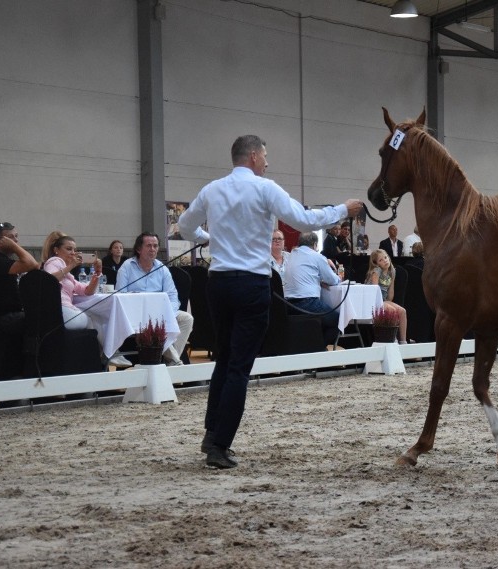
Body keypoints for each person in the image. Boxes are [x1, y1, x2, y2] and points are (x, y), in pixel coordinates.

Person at [177, 133, 362, 469]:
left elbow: (184, 226)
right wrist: (342, 210)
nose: (267, 162)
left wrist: (209, 238)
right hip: (250, 284)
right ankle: (220, 444)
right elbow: (303, 220)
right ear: (252, 157)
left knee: (225, 357)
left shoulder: (212, 189)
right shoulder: (265, 188)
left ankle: (211, 432)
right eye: (264, 156)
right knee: (238, 367)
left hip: (217, 284)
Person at [116, 232, 193, 366]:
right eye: (149, 246)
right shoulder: (127, 267)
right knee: (155, 324)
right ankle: (174, 362)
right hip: (136, 315)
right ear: (139, 249)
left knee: (187, 319)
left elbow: (173, 297)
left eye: (155, 246)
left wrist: (169, 313)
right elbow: (120, 295)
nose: (153, 249)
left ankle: (171, 360)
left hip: (162, 313)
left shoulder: (162, 269)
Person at [283, 231, 342, 347]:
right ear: (315, 244)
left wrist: (318, 280)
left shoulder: (292, 255)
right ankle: (319, 350)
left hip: (288, 304)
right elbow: (332, 280)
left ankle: (312, 347)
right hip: (307, 303)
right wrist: (338, 277)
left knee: (324, 320)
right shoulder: (316, 256)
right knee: (338, 321)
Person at [0, 222, 40, 332]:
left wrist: (13, 244)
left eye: (16, 236)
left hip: (7, 314)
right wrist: (14, 247)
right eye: (10, 238)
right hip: (3, 317)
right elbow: (33, 264)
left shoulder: (0, 258)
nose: (16, 240)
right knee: (41, 318)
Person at [365, 249, 409, 344]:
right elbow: (374, 291)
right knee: (392, 311)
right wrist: (385, 305)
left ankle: (403, 341)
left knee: (402, 311)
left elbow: (390, 295)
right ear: (376, 264)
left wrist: (388, 302)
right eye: (381, 260)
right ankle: (393, 339)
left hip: (383, 300)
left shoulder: (392, 271)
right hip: (372, 300)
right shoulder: (376, 271)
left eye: (385, 257)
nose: (385, 260)